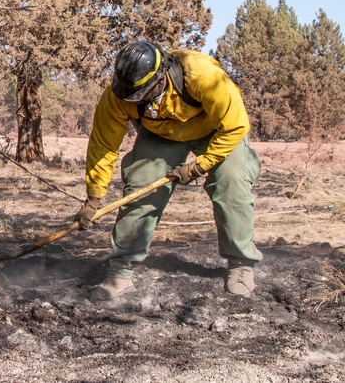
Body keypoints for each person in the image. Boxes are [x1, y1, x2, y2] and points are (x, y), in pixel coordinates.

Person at [77, 41, 262, 300]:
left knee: (231, 185)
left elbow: (234, 127)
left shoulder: (202, 76)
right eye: (132, 94)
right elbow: (104, 145)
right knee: (140, 189)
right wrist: (94, 197)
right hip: (161, 133)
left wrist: (200, 166)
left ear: (161, 77)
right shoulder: (117, 96)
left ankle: (241, 265)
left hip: (217, 132)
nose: (135, 98)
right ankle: (120, 272)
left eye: (142, 92)